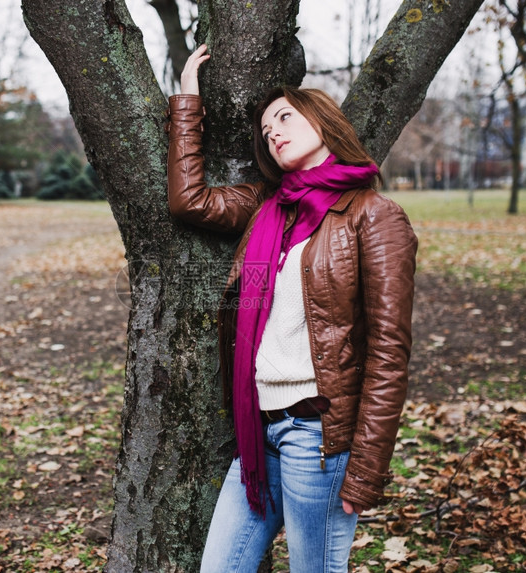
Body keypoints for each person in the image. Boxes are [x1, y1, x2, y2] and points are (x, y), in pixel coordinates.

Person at [166, 44, 418, 572]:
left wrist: (368, 467)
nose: (273, 131)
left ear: (323, 120)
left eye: (284, 116)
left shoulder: (374, 217)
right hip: (258, 438)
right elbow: (189, 200)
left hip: (319, 441)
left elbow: (389, 353)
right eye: (266, 129)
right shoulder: (267, 211)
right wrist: (188, 99)